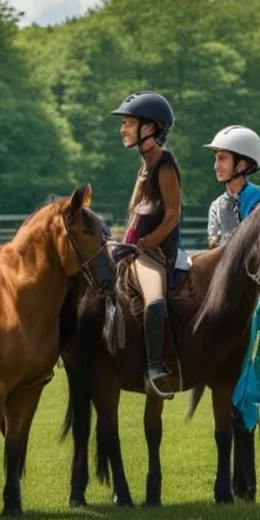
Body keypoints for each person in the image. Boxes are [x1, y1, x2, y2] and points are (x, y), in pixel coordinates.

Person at [111, 91, 182, 398]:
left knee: (154, 298)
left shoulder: (164, 165)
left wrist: (142, 245)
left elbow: (172, 217)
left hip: (155, 255)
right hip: (134, 251)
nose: (122, 129)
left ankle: (154, 368)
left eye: (128, 123)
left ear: (150, 128)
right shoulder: (143, 166)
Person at [206, 125, 260, 248]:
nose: (216, 166)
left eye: (222, 159)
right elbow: (213, 244)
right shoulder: (216, 205)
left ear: (241, 164)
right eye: (216, 159)